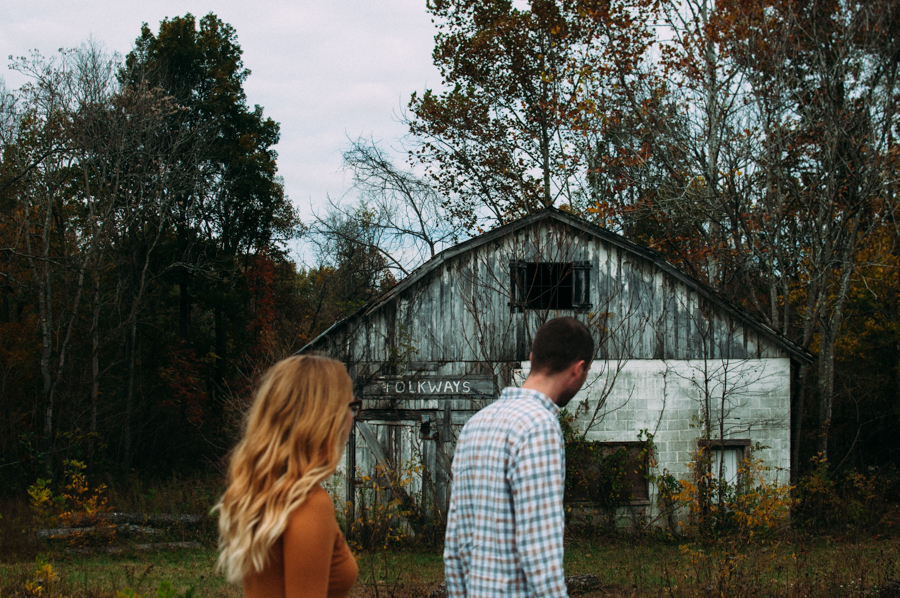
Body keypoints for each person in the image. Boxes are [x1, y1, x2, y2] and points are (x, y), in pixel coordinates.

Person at [444, 316, 594, 598]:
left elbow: (456, 545)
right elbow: (539, 551)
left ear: (531, 358)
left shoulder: (475, 424)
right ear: (579, 369)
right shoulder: (539, 427)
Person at [215, 355, 360, 598]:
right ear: (324, 417)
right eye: (350, 406)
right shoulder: (310, 503)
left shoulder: (266, 494)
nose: (351, 418)